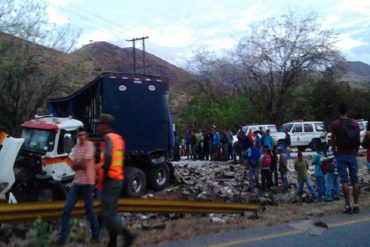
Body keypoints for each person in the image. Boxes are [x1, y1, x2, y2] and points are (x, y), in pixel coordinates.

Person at [96, 114, 135, 247]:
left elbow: (108, 156)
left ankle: (127, 235)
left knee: (108, 214)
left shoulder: (107, 138)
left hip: (111, 180)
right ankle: (112, 242)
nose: (98, 127)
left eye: (99, 124)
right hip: (118, 179)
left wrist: (105, 173)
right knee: (111, 212)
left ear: (105, 125)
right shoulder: (119, 138)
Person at [57, 129, 100, 245]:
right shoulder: (76, 148)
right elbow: (74, 166)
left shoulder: (90, 145)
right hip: (77, 182)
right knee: (67, 209)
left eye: (83, 134)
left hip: (88, 183)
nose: (81, 136)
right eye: (79, 135)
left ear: (86, 135)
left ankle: (96, 235)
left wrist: (79, 164)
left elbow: (83, 164)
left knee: (89, 210)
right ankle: (62, 238)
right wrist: (80, 164)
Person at [330, 103, 361, 214]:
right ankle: (356, 205)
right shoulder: (355, 123)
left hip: (341, 154)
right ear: (347, 111)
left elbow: (333, 139)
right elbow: (358, 139)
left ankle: (348, 206)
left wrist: (334, 150)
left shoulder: (335, 124)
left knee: (344, 181)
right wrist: (356, 151)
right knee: (355, 180)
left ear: (339, 111)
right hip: (352, 154)